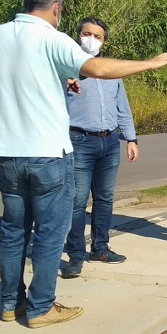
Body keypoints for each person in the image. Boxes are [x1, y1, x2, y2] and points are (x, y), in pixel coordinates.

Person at [0, 0, 167, 328]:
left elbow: (22, 78)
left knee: (13, 232)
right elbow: (100, 68)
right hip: (45, 152)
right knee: (48, 231)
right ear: (56, 7)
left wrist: (62, 80)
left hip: (6, 153)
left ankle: (11, 304)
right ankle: (42, 307)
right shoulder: (52, 39)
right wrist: (150, 63)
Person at [60, 17, 138, 279]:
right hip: (79, 140)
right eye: (86, 33)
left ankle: (101, 248)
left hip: (109, 141)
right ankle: (76, 255)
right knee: (77, 201)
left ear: (104, 41)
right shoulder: (66, 67)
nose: (90, 39)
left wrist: (131, 139)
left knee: (104, 198)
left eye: (97, 36)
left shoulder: (111, 70)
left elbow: (122, 107)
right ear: (78, 35)